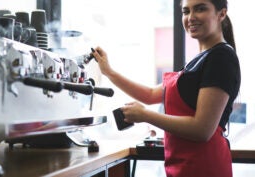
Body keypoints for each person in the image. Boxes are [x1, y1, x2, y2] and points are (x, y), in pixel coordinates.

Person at [91, 0, 240, 176]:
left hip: (204, 167)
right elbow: (151, 94)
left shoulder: (221, 58)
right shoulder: (201, 59)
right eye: (186, 11)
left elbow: (202, 129)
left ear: (221, 13)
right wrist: (109, 72)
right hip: (184, 166)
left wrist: (145, 115)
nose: (191, 17)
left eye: (200, 9)